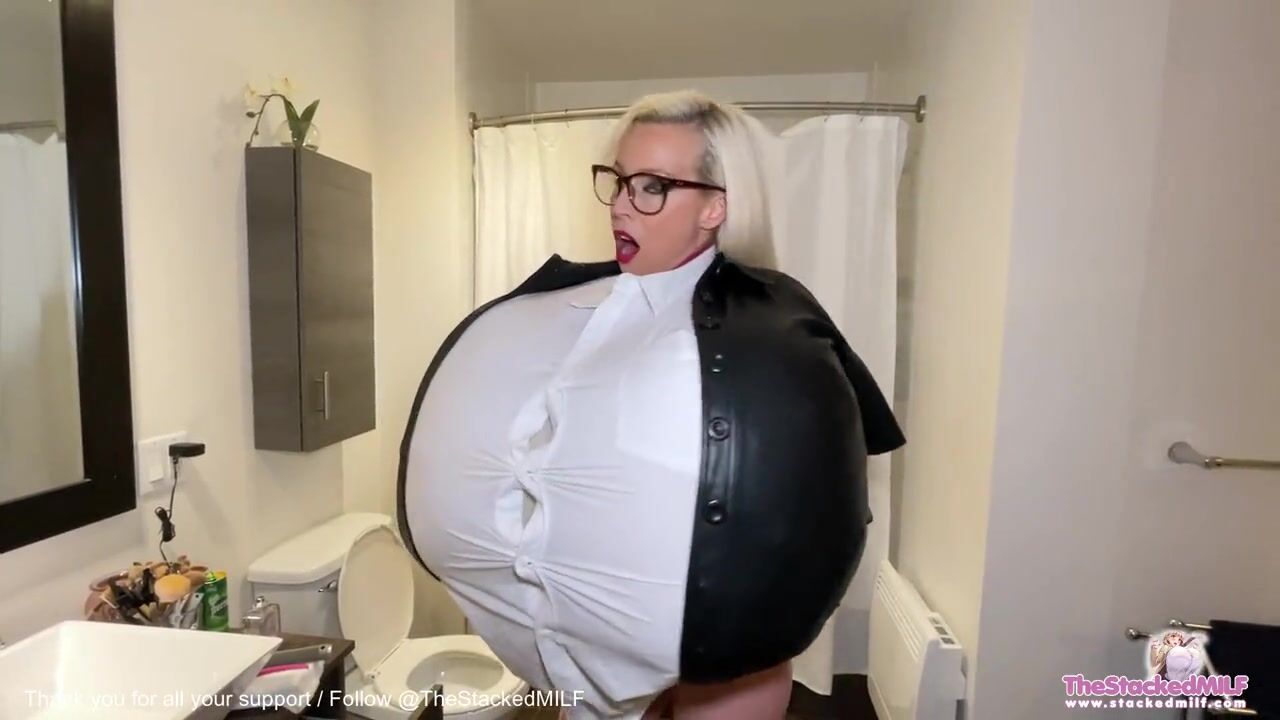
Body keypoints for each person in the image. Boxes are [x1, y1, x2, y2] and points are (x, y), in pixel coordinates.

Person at [398, 90, 904, 719]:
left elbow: (811, 499)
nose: (621, 205)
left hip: (722, 652)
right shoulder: (580, 312)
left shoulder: (772, 332)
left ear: (716, 206)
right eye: (618, 181)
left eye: (653, 187)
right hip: (582, 652)